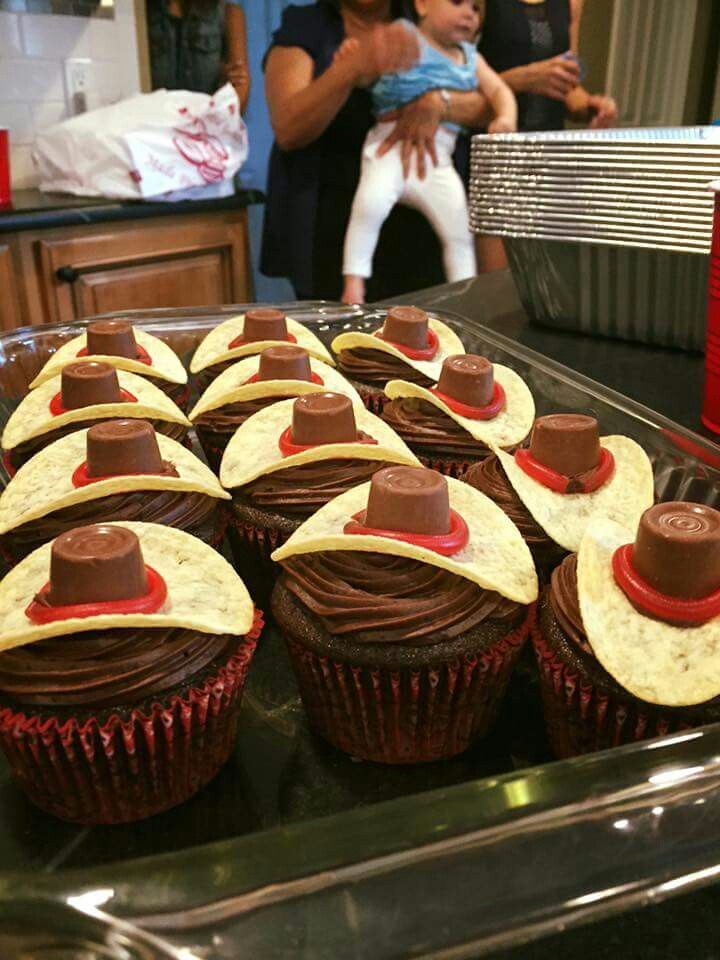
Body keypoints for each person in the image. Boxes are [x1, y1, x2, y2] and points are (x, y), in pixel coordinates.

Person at [262, 0, 492, 302]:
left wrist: (439, 104)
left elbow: (486, 99)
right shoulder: (307, 25)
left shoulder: (431, 16)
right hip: (331, 235)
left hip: (424, 234)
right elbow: (288, 129)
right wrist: (352, 67)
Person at [341, 0, 516, 304]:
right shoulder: (404, 35)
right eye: (458, 2)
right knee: (370, 204)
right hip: (390, 147)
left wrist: (505, 118)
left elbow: (500, 91)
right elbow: (368, 70)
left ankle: (465, 295)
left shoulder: (470, 58)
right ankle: (354, 283)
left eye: (476, 8)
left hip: (438, 160)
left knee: (459, 228)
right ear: (422, 4)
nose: (469, 14)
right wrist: (354, 62)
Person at [476, 0, 618, 269]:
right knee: (493, 284)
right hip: (493, 158)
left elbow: (569, 88)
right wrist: (524, 79)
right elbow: (456, 76)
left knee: (546, 280)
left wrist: (590, 106)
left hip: (548, 162)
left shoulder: (572, 3)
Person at [146, 0, 250, 112]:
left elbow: (240, 84)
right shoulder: (138, 11)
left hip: (208, 122)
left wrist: (212, 121)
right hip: (150, 121)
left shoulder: (228, 13)